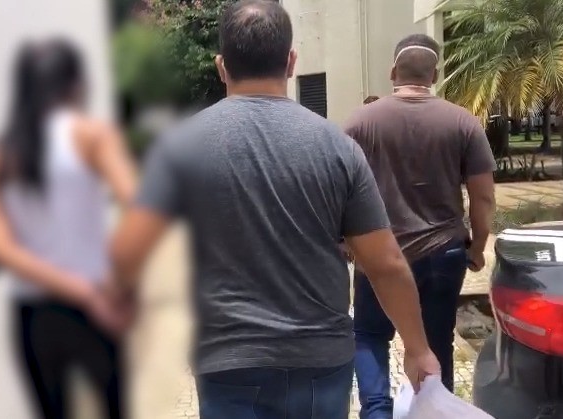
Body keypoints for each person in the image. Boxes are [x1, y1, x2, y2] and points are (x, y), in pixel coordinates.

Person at [109, 2, 440, 418]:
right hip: (320, 363)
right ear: (291, 62)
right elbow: (386, 264)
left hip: (228, 363)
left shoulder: (179, 149)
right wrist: (418, 348)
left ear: (221, 66)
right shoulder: (338, 148)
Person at [0, 39, 136, 419]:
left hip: (33, 316)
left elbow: (2, 250)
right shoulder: (92, 136)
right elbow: (138, 207)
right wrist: (117, 285)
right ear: (76, 85)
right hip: (96, 305)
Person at [344, 34, 496, 419]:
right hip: (443, 253)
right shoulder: (463, 122)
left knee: (369, 336)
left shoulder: (360, 122)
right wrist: (478, 247)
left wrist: (343, 242)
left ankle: (376, 412)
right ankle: (433, 411)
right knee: (436, 341)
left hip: (378, 255)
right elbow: (483, 198)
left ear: (393, 72)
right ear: (435, 74)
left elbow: (337, 188)